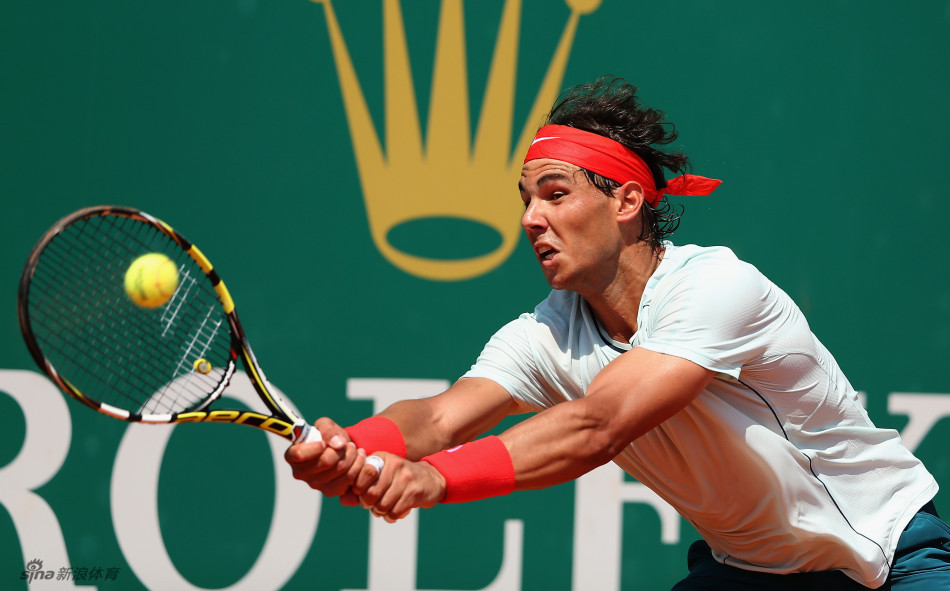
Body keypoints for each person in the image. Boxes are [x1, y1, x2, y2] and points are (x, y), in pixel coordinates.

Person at [285, 76, 950, 589]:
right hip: (752, 571)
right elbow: (437, 415)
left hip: (883, 556)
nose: (530, 219)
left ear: (628, 202)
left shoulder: (715, 287)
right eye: (525, 199)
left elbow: (596, 426)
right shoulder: (546, 334)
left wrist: (431, 480)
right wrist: (349, 446)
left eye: (555, 193)